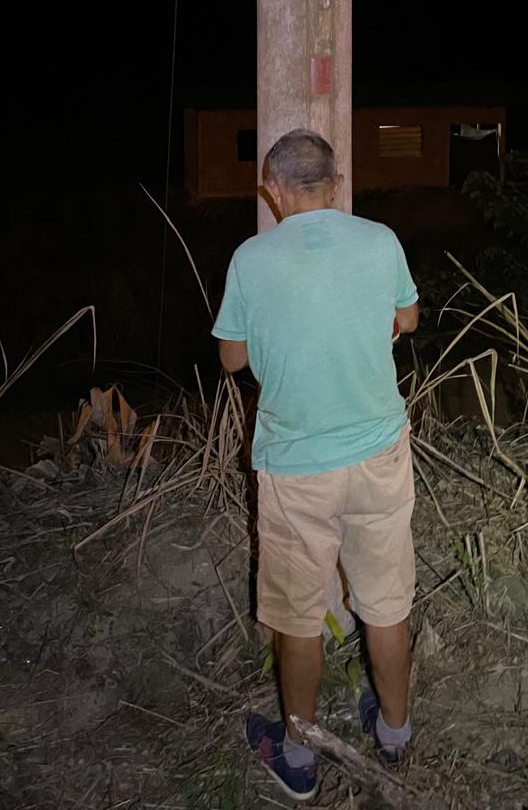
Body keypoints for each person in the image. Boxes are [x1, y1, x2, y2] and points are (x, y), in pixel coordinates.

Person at [212, 128, 419, 801]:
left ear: (273, 189)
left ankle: (298, 758)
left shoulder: (251, 258)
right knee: (385, 602)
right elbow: (410, 318)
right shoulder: (380, 240)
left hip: (298, 465)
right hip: (379, 452)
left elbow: (231, 359)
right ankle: (395, 733)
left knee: (299, 615)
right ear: (336, 183)